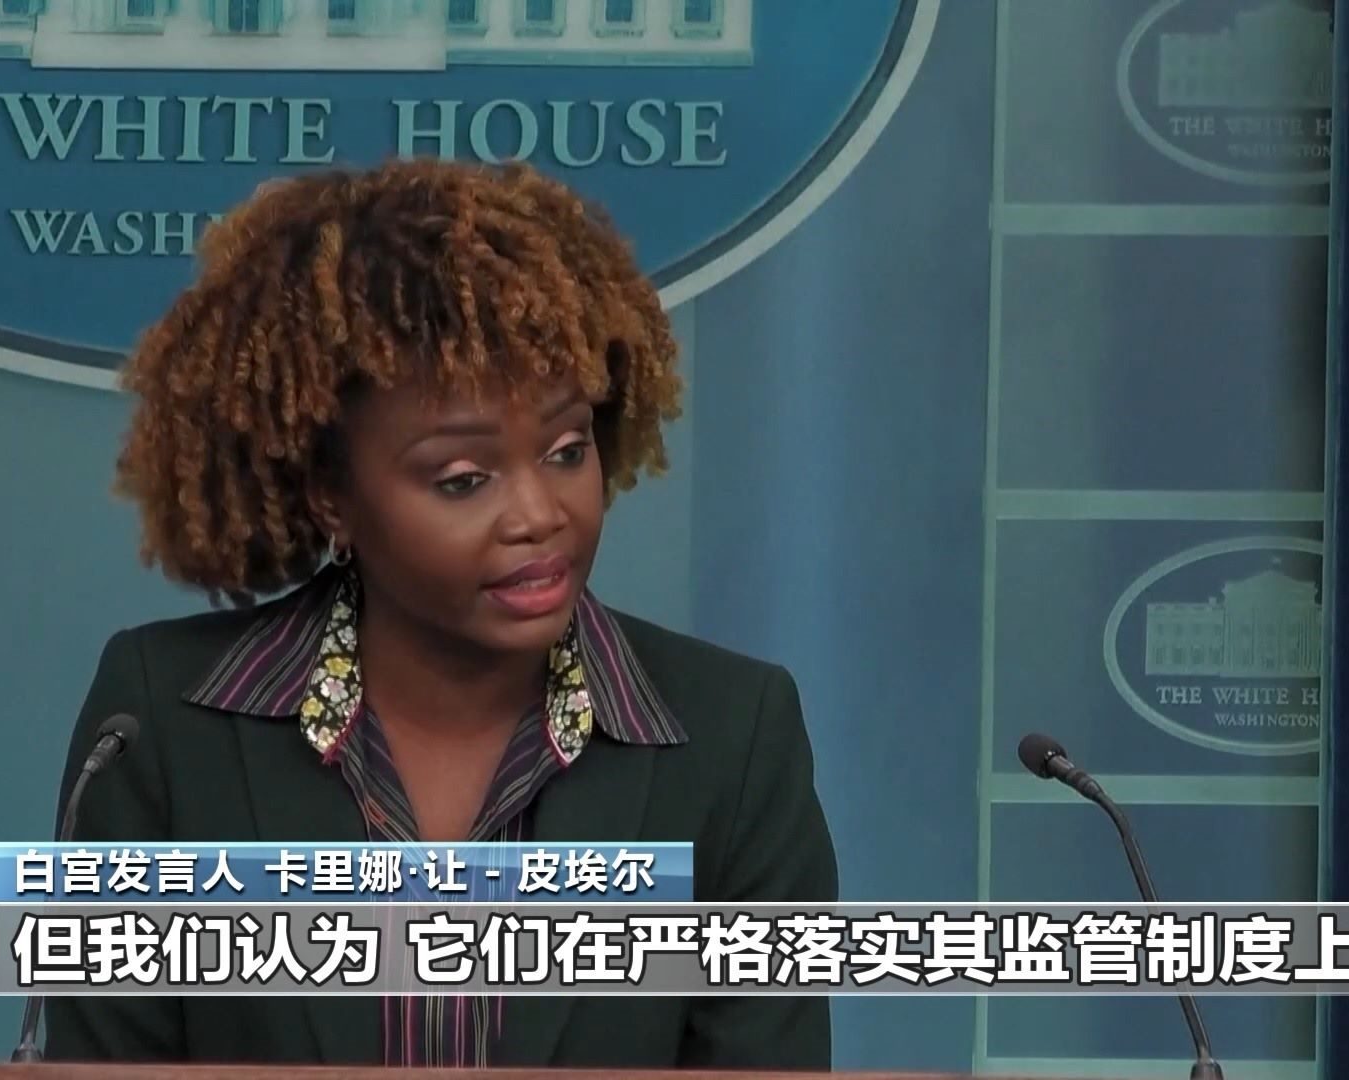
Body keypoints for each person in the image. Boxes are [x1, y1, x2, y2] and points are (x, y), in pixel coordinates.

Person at [43, 157, 838, 1070]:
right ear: (332, 495)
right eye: (463, 479)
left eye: (567, 450)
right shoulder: (159, 724)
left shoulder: (733, 739)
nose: (540, 515)